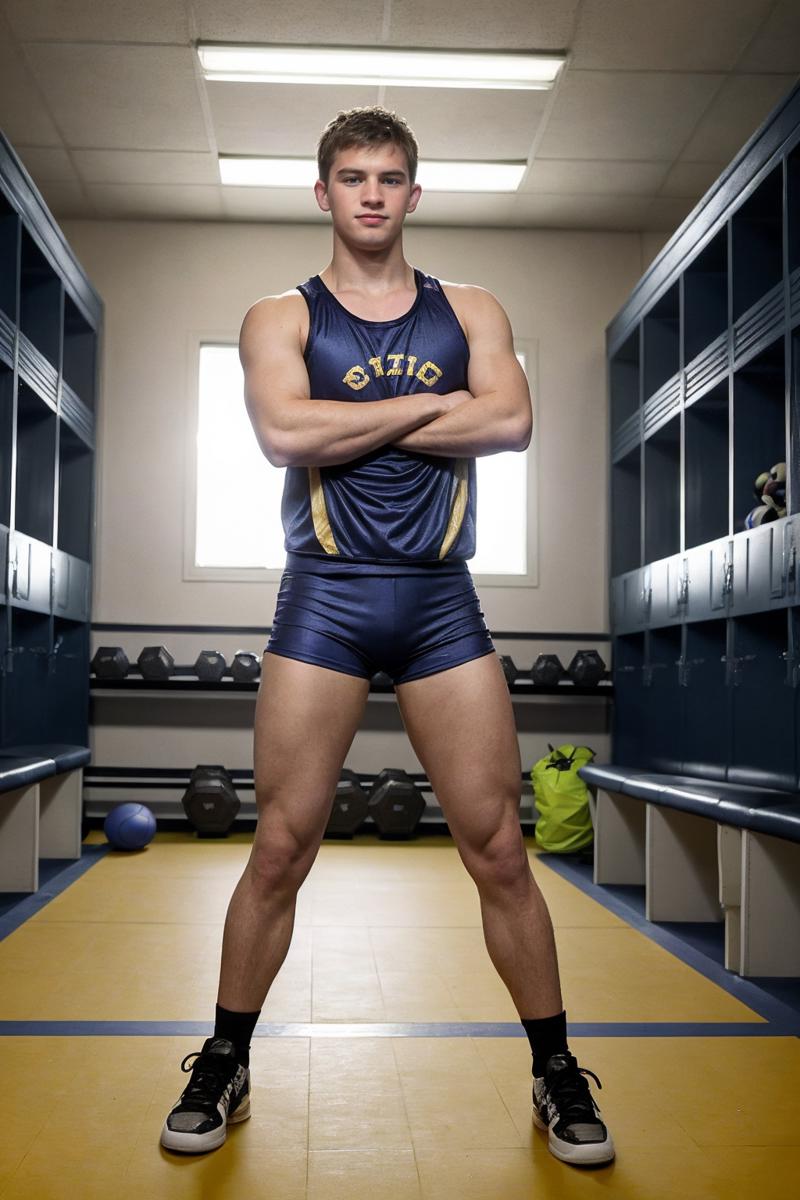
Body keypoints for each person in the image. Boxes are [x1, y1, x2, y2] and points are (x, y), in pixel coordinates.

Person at [160, 106, 614, 1168]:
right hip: (321, 594)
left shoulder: (470, 307)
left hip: (439, 601)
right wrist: (431, 407)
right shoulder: (279, 317)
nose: (371, 193)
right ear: (322, 193)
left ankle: (556, 1073)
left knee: (499, 849)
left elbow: (509, 422)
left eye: (390, 177)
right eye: (352, 176)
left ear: (415, 194)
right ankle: (224, 1060)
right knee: (279, 846)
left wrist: (355, 417)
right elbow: (282, 433)